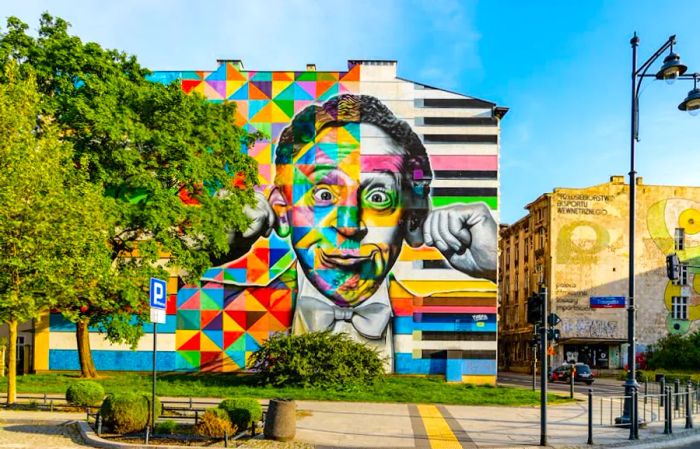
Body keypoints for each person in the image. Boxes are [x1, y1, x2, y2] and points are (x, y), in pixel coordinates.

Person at [207, 94, 497, 368]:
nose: (350, 226)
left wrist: (496, 267)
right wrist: (206, 247)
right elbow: (162, 308)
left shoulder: (443, 319)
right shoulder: (217, 314)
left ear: (414, 217)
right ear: (283, 211)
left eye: (378, 197)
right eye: (323, 196)